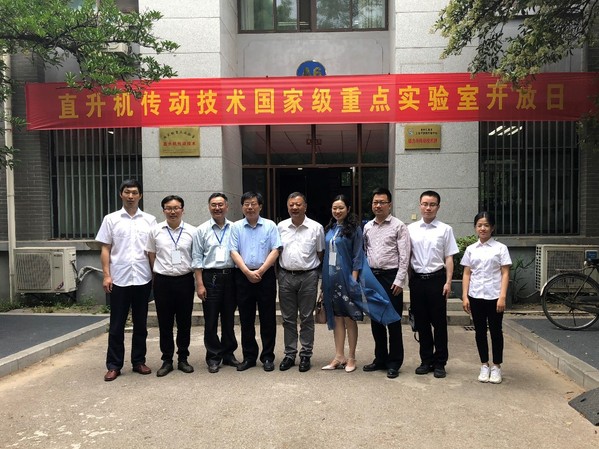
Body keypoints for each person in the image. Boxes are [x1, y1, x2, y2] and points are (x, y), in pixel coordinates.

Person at [320, 194, 401, 373]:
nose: (337, 211)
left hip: (348, 279)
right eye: (334, 208)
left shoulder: (354, 229)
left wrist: (354, 279)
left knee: (349, 318)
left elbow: (358, 255)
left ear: (348, 209)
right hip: (331, 280)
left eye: (341, 208)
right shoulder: (330, 228)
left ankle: (351, 357)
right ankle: (339, 356)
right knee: (337, 318)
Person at [96, 179, 156, 382]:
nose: (131, 196)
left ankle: (138, 361)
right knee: (116, 325)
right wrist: (106, 275)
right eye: (127, 192)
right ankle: (114, 365)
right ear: (121, 194)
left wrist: (155, 275)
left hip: (142, 278)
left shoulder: (149, 220)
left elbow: (151, 251)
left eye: (134, 192)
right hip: (119, 279)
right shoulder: (111, 219)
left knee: (141, 324)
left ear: (140, 195)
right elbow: (105, 249)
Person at [408, 190, 458, 379]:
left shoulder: (445, 229)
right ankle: (426, 360)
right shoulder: (411, 229)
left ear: (438, 207)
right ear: (420, 205)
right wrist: (409, 279)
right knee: (421, 323)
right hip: (417, 281)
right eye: (425, 204)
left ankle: (440, 362)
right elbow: (407, 256)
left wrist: (448, 282)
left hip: (437, 280)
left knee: (439, 323)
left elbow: (449, 257)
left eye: (432, 204)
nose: (428, 208)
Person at [230, 191, 282, 372]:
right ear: (242, 207)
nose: (250, 207)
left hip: (265, 276)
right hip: (243, 277)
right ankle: (249, 357)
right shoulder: (236, 227)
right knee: (246, 319)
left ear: (260, 206)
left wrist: (260, 271)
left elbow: (276, 249)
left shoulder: (270, 226)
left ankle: (267, 356)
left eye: (253, 204)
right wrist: (246, 271)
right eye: (246, 204)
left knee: (268, 318)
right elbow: (233, 251)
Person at [146, 195, 196, 377]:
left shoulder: (192, 231)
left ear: (183, 210)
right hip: (163, 281)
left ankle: (183, 358)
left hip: (185, 280)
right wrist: (156, 274)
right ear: (163, 210)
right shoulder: (155, 231)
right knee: (165, 323)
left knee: (184, 322)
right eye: (168, 208)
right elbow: (151, 254)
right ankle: (167, 360)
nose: (172, 211)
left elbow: (195, 255)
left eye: (176, 208)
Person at [362, 187, 411, 379]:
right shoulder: (368, 227)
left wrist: (400, 280)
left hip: (391, 278)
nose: (378, 205)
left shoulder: (399, 226)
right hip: (373, 277)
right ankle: (380, 359)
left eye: (382, 202)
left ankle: (395, 362)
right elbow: (365, 252)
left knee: (393, 320)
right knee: (376, 320)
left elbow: (404, 255)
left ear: (389, 205)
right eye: (375, 202)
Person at [461, 211, 512, 384]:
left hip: (494, 296)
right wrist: (465, 296)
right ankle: (484, 364)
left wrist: (502, 296)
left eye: (486, 225)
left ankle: (496, 366)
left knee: (496, 331)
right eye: (479, 225)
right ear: (475, 228)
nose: (483, 228)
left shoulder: (500, 248)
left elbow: (505, 273)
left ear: (492, 228)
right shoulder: (471, 249)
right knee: (480, 332)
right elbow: (467, 273)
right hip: (475, 296)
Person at [277, 192, 325, 373]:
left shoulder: (316, 228)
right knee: (288, 318)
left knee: (306, 317)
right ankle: (290, 354)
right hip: (285, 276)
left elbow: (320, 253)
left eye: (298, 204)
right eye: (291, 205)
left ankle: (305, 354)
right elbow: (276, 251)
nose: (294, 208)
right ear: (287, 207)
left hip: (308, 276)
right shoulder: (280, 227)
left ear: (305, 206)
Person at [192, 193, 240, 373]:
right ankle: (213, 356)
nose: (217, 208)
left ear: (227, 206)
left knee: (229, 318)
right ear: (209, 207)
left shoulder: (235, 228)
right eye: (213, 205)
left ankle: (228, 354)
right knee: (211, 319)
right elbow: (197, 258)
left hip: (231, 276)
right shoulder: (201, 230)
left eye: (220, 204)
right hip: (210, 277)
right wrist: (199, 284)